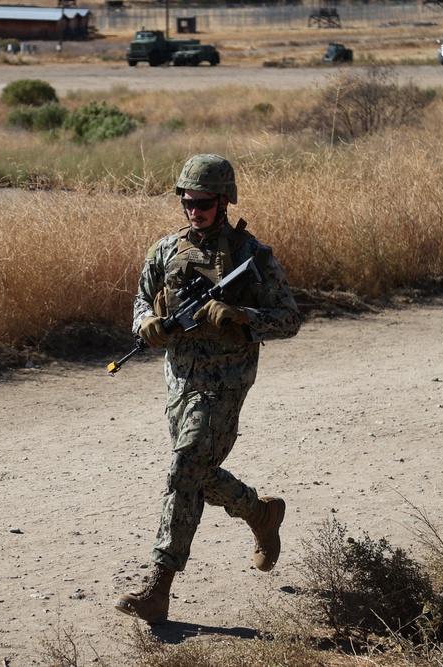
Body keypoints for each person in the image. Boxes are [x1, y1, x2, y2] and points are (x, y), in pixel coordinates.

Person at [114, 154, 302, 624]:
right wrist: (147, 325)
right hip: (179, 380)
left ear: (223, 201)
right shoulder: (164, 250)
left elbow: (289, 320)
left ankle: (158, 587)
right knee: (196, 473)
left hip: (226, 383)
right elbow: (141, 298)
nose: (193, 210)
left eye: (203, 203)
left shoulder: (251, 256)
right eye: (187, 201)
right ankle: (259, 513)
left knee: (184, 468)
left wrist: (243, 317)